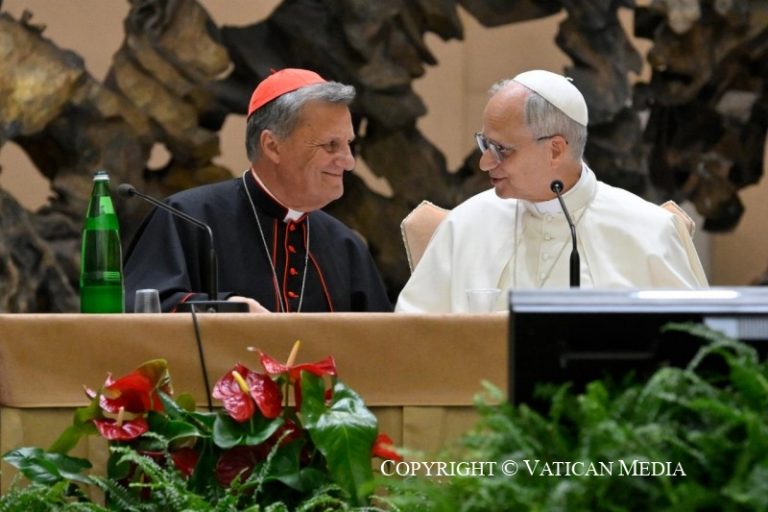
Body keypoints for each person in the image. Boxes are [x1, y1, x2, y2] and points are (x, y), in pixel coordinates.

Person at [396, 69, 708, 313]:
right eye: (484, 144)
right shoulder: (465, 224)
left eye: (501, 149)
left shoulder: (648, 230)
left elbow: (693, 347)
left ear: (555, 150)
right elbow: (412, 337)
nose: (485, 162)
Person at [125, 68, 392, 313]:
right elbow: (139, 310)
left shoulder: (345, 245)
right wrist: (227, 310)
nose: (349, 161)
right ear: (272, 146)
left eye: (348, 144)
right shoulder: (187, 218)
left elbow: (382, 342)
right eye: (331, 145)